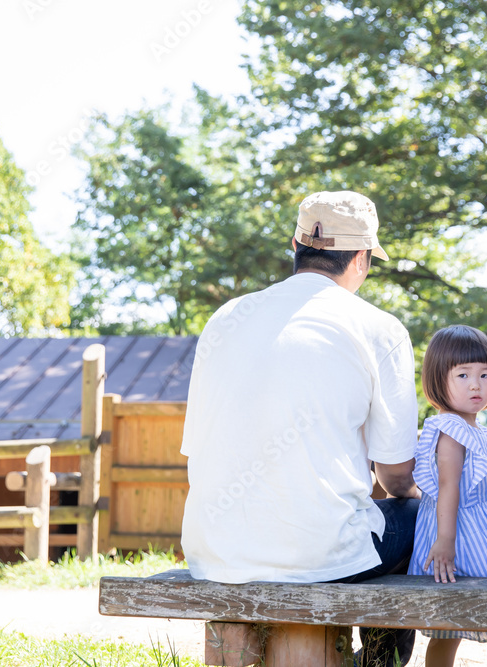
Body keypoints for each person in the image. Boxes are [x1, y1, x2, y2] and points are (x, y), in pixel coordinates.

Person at [180, 190, 421, 667]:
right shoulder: (379, 328)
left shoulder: (226, 318)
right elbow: (395, 475)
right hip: (318, 557)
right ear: (361, 258)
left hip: (215, 551)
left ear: (296, 244)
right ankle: (375, 663)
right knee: (416, 516)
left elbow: (196, 448)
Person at [408, 325, 487, 667]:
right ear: (438, 381)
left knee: (468, 625)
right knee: (468, 623)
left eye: (485, 374)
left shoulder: (479, 431)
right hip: (461, 536)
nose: (476, 384)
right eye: (463, 374)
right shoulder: (451, 430)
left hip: (485, 533)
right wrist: (445, 540)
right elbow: (448, 485)